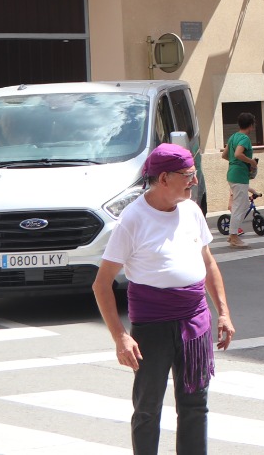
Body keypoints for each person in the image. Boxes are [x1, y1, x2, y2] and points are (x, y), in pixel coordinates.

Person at [93, 143, 234, 455]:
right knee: (148, 408)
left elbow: (208, 264)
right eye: (188, 175)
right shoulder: (132, 219)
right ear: (165, 178)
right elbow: (101, 285)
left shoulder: (192, 211)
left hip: (194, 321)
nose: (194, 181)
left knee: (195, 405)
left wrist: (222, 312)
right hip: (152, 325)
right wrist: (120, 337)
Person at [224, 111, 258, 249]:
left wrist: (235, 162)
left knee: (241, 204)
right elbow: (238, 153)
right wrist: (251, 162)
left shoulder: (233, 137)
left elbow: (225, 155)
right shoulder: (244, 139)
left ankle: (232, 234)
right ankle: (234, 236)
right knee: (240, 206)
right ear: (251, 125)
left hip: (233, 173)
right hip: (239, 176)